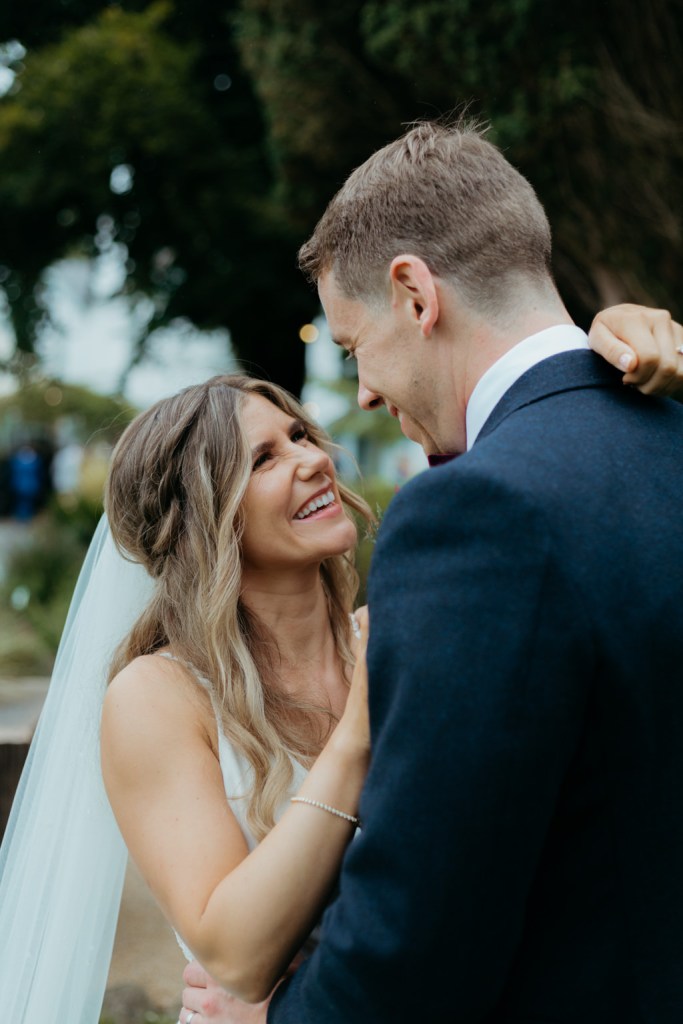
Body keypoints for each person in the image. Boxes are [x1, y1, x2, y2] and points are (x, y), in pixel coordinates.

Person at [181, 122, 683, 1024]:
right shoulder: (665, 441)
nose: (363, 394)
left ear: (415, 293)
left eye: (350, 345)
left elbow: (423, 927)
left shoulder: (472, 512)